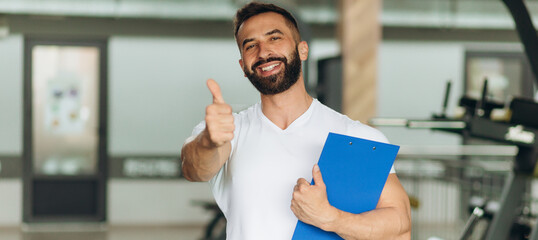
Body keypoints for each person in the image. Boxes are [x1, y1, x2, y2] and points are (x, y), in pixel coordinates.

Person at [181, 2, 411, 239]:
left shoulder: (356, 136)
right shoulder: (227, 133)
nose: (263, 52)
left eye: (274, 38)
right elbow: (194, 169)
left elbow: (399, 223)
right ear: (243, 66)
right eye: (250, 45)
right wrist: (210, 141)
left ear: (303, 50)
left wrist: (331, 218)